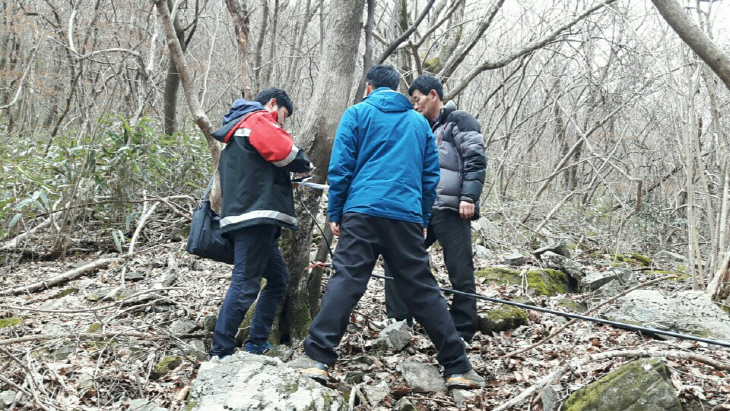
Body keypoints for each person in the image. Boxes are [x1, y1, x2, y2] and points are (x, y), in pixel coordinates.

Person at [292, 65, 485, 389]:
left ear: (369, 87)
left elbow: (341, 168)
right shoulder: (418, 123)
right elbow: (430, 179)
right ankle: (457, 367)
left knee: (347, 280)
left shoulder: (356, 115)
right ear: (396, 89)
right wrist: (422, 219)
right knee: (422, 288)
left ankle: (317, 359)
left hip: (362, 212)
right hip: (406, 216)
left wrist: (336, 211)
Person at [208, 88, 313, 359]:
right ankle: (220, 351)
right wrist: (305, 164)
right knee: (244, 284)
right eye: (282, 117)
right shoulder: (256, 119)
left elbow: (255, 171)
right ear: (272, 104)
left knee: (278, 279)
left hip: (249, 216)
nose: (281, 123)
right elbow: (285, 152)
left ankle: (257, 342)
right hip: (253, 218)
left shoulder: (238, 128)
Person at [384, 74, 486, 344]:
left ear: (433, 95)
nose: (414, 105)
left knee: (460, 271)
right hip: (422, 211)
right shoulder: (420, 128)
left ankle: (462, 331)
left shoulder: (460, 120)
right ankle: (398, 322)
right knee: (397, 258)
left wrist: (469, 197)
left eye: (417, 100)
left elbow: (475, 159)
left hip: (453, 209)